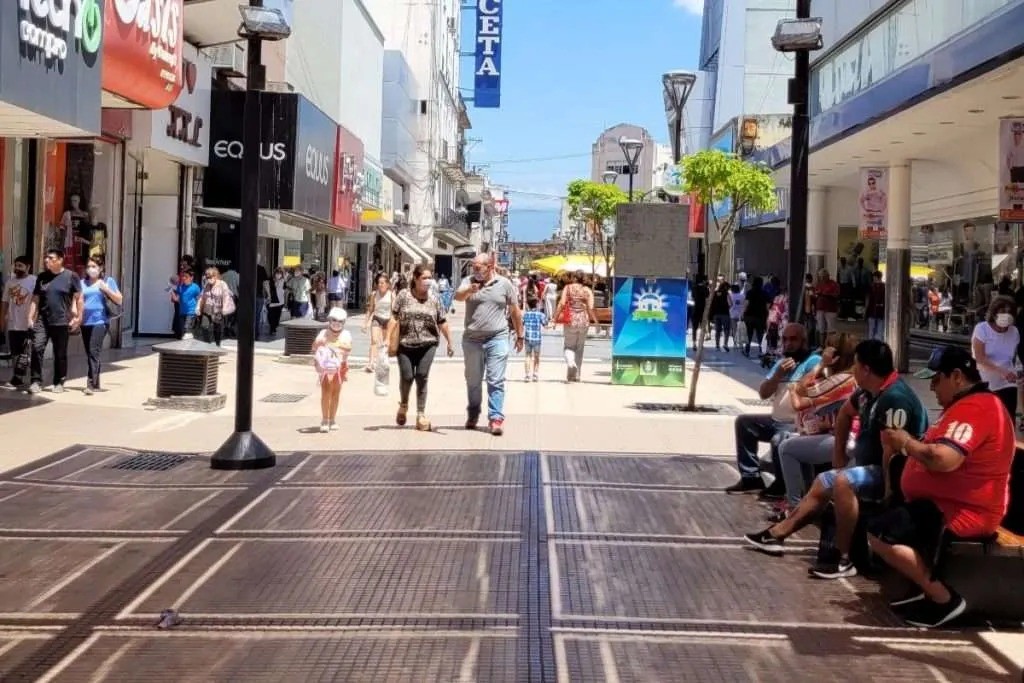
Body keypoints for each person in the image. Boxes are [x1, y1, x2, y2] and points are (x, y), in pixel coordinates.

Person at [744, 340, 929, 580]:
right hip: (868, 465)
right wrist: (838, 454)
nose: (852, 370)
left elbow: (891, 452)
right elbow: (844, 413)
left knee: (842, 481)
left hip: (891, 472)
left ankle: (844, 558)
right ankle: (777, 535)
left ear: (866, 369)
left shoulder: (895, 398)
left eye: (855, 365)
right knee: (824, 479)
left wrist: (888, 493)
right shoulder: (867, 392)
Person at [869, 346, 1014, 628]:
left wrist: (906, 443)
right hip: (941, 505)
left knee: (879, 533)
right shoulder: (961, 406)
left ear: (957, 376)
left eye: (936, 380)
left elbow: (943, 459)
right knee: (885, 520)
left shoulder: (978, 408)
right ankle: (926, 591)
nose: (932, 388)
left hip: (962, 512)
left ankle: (944, 598)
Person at [726, 323, 821, 496]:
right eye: (784, 339)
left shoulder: (813, 362)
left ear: (804, 341)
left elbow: (812, 386)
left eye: (793, 339)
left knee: (780, 439)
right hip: (776, 420)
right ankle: (751, 478)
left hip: (797, 424)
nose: (788, 344)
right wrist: (777, 376)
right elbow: (763, 393)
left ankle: (782, 484)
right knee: (744, 422)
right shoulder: (781, 364)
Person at [455, 253, 524, 435]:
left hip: (497, 337)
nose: (475, 270)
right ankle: (473, 413)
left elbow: (515, 310)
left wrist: (520, 335)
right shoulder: (468, 281)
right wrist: (470, 289)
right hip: (472, 339)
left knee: (496, 380)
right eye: (474, 267)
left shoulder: (504, 284)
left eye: (479, 267)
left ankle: (496, 418)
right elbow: (458, 296)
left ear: (490, 266)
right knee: (473, 380)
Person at [388, 264, 454, 431]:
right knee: (407, 376)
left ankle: (420, 415)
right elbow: (394, 317)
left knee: (422, 376)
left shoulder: (435, 299)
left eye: (429, 277)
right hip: (405, 344)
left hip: (428, 343)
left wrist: (450, 342)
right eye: (424, 278)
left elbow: (442, 321)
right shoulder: (403, 295)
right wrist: (387, 339)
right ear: (415, 279)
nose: (428, 281)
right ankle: (403, 405)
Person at [27, 248, 82, 394]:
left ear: (60, 259)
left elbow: (79, 297)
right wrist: (30, 317)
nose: (47, 260)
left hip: (61, 321)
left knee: (60, 353)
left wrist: (78, 317)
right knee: (37, 348)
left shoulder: (71, 276)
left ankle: (59, 381)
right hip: (43, 320)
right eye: (46, 258)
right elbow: (35, 298)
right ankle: (36, 381)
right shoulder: (42, 277)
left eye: (51, 258)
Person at [79, 255, 122, 395]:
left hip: (100, 321)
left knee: (93, 351)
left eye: (94, 267)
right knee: (90, 352)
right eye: (89, 266)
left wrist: (106, 289)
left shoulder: (108, 281)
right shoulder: (82, 283)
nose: (91, 269)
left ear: (100, 268)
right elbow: (77, 300)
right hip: (85, 322)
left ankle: (90, 384)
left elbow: (119, 300)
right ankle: (96, 383)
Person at [971, 295, 1020, 418]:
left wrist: (1015, 373)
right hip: (985, 380)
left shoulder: (1014, 332)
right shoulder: (982, 329)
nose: (1006, 316)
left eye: (1009, 313)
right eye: (1003, 312)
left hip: (1007, 383)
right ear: (994, 314)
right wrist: (1000, 371)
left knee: (1008, 417)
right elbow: (980, 357)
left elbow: (1012, 358)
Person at [312, 307, 352, 433]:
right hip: (326, 368)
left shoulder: (346, 334)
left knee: (335, 394)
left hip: (340, 367)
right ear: (329, 320)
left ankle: (332, 419)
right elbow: (314, 347)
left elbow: (348, 347)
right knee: (326, 393)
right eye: (334, 320)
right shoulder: (323, 333)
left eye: (340, 321)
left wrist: (338, 345)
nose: (336, 323)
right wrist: (319, 343)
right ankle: (324, 420)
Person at [555, 270, 597, 382]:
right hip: (584, 321)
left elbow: (562, 304)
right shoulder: (587, 290)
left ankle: (570, 363)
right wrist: (596, 322)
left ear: (574, 277)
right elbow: (591, 307)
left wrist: (555, 318)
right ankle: (576, 375)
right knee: (579, 348)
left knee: (568, 346)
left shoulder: (567, 288)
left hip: (570, 321)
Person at [2, 255, 36, 389]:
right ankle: (17, 378)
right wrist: (3, 319)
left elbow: (37, 300)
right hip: (13, 323)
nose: (17, 268)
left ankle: (30, 378)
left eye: (20, 266)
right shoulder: (10, 283)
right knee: (16, 351)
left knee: (26, 352)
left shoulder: (34, 280)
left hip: (28, 322)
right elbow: (5, 301)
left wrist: (33, 318)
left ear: (28, 267)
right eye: (16, 265)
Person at [363, 274, 393, 374]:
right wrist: (365, 323)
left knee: (384, 344)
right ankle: (371, 363)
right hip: (377, 318)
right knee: (374, 341)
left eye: (382, 283)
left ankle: (382, 362)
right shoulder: (374, 294)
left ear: (387, 284)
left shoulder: (392, 295)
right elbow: (370, 309)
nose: (380, 285)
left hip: (387, 320)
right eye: (379, 283)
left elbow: (394, 311)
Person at [196, 267, 234, 346]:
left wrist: (225, 308)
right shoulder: (207, 285)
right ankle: (207, 344)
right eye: (207, 277)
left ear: (215, 276)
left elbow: (226, 296)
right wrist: (198, 307)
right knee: (204, 326)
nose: (208, 279)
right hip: (208, 308)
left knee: (217, 328)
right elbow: (202, 297)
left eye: (210, 277)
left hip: (218, 309)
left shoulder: (222, 284)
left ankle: (217, 344)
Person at [171, 269, 201, 340]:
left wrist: (198, 308)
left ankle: (189, 342)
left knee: (187, 328)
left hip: (191, 312)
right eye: (183, 276)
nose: (184, 278)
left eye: (186, 277)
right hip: (182, 312)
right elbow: (177, 299)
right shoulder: (180, 287)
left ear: (191, 277)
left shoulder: (195, 287)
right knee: (183, 331)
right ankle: (187, 345)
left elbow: (199, 299)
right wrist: (171, 291)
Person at [522, 297, 547, 381]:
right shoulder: (540, 315)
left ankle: (527, 375)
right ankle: (535, 374)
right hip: (537, 338)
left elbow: (522, 324)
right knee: (536, 357)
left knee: (527, 356)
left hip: (528, 338)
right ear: (536, 304)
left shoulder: (525, 314)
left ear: (528, 305)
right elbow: (545, 325)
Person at [709, 280, 732, 352]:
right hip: (725, 314)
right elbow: (730, 304)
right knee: (726, 330)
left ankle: (717, 345)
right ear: (726, 287)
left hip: (716, 314)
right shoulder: (726, 293)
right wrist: (727, 307)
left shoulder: (715, 293)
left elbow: (711, 303)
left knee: (718, 330)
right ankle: (725, 344)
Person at [865, 271, 886, 341]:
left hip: (872, 310)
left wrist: (865, 310)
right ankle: (877, 344)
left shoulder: (871, 287)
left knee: (871, 330)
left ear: (875, 277)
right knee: (879, 331)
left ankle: (870, 345)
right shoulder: (885, 287)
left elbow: (868, 299)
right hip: (881, 311)